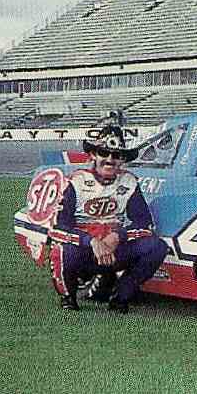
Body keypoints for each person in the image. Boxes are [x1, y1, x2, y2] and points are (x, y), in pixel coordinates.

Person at [47, 123, 169, 312]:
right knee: (61, 250)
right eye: (104, 153)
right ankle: (68, 297)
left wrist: (118, 236)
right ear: (93, 155)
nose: (110, 159)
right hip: (84, 251)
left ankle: (121, 297)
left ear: (122, 159)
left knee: (156, 246)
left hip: (114, 249)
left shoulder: (129, 182)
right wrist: (91, 241)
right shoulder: (75, 181)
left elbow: (144, 223)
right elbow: (57, 228)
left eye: (116, 155)